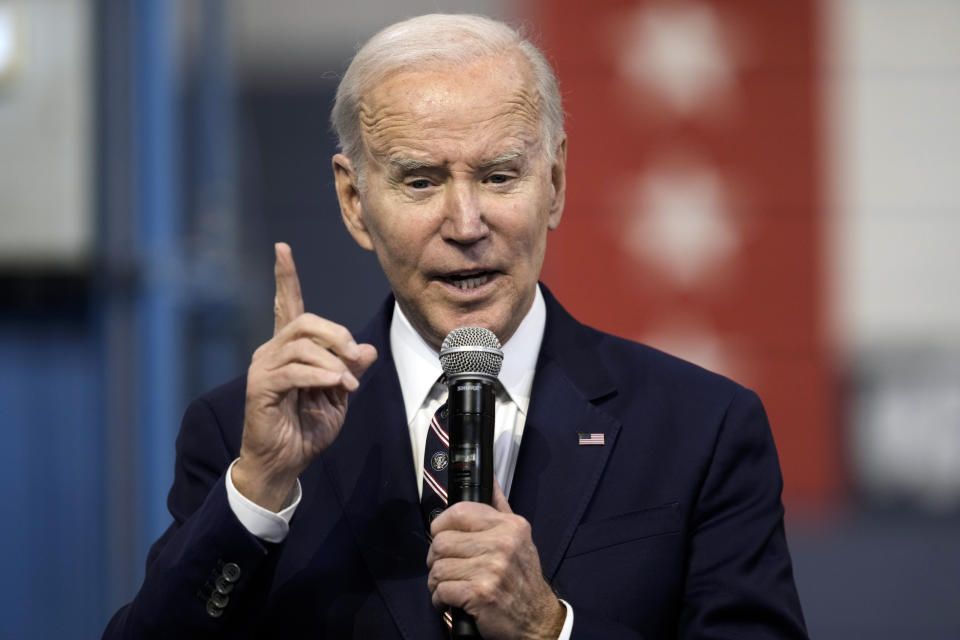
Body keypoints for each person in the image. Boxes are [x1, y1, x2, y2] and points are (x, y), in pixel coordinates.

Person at [103, 13, 807, 639]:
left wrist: (546, 629)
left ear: (554, 184)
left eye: (500, 176)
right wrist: (258, 493)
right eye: (421, 181)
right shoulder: (242, 437)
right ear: (354, 201)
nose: (466, 225)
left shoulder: (702, 428)